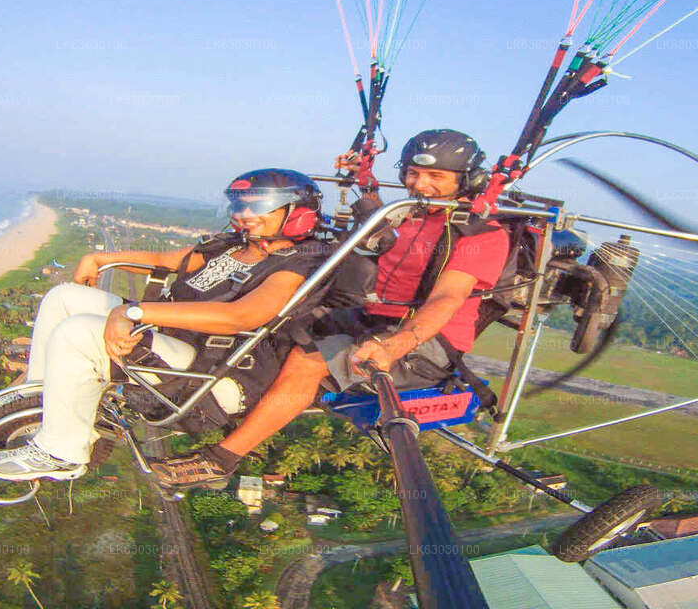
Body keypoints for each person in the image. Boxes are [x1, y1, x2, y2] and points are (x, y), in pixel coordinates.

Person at [150, 129, 510, 489]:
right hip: (375, 317)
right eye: (413, 174)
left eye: (436, 177)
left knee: (309, 362)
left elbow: (446, 300)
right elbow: (378, 239)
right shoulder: (411, 217)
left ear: (468, 180)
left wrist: (394, 346)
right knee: (282, 321)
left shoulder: (481, 235)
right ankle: (207, 396)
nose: (420, 184)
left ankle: (223, 459)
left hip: (428, 341)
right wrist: (365, 185)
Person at [0, 169, 331, 481]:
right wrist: (101, 259)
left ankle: (62, 453)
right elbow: (167, 263)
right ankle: (38, 405)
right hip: (177, 345)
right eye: (239, 205)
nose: (244, 215)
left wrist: (134, 313)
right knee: (64, 297)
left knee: (79, 333)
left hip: (216, 376)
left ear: (297, 213)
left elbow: (241, 317)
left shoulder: (298, 263)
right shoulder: (233, 245)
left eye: (258, 206)